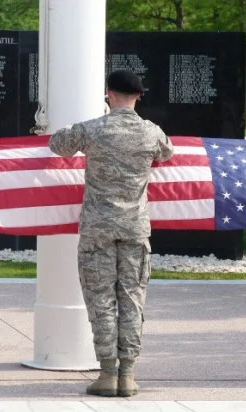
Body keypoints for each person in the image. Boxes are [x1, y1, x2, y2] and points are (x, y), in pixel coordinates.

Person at [49, 69, 174, 397]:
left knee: (101, 301)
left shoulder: (94, 129)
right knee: (132, 300)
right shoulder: (151, 132)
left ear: (109, 93)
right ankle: (128, 375)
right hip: (134, 230)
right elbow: (167, 152)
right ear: (140, 95)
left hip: (97, 231)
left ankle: (107, 373)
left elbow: (57, 144)